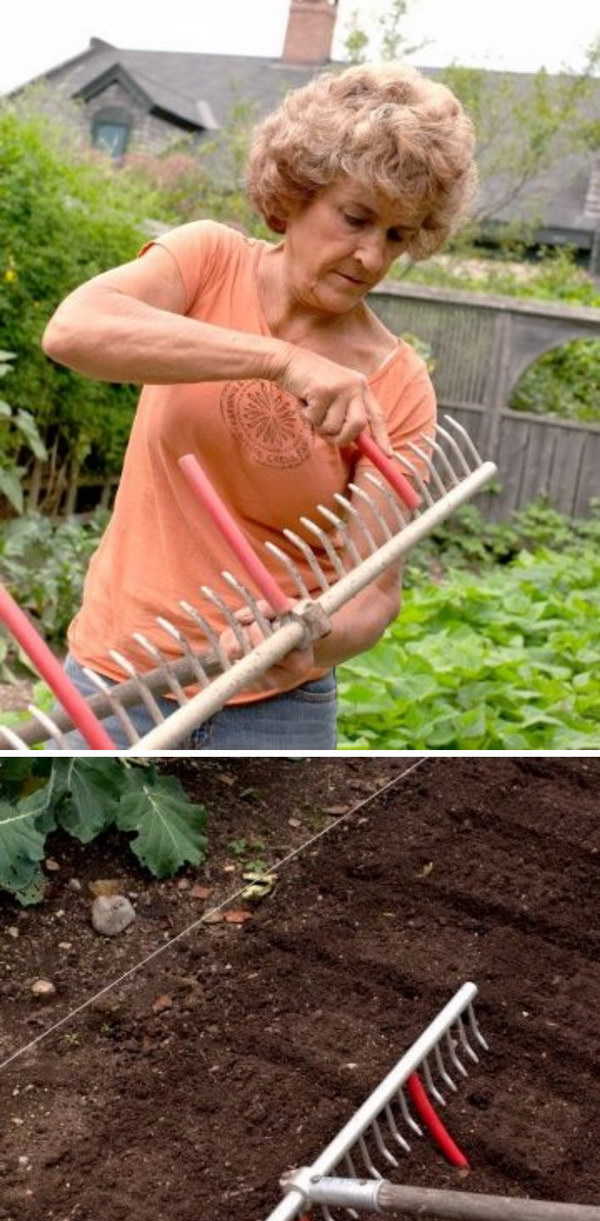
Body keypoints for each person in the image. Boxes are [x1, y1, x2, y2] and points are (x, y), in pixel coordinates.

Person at [41, 62, 477, 751]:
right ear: (296, 193)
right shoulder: (206, 261)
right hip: (117, 678)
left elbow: (374, 593)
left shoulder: (396, 385)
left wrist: (316, 640)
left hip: (275, 709)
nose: (370, 256)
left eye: (397, 235)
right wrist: (278, 360)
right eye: (356, 217)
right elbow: (74, 331)